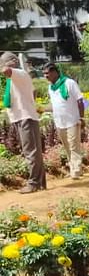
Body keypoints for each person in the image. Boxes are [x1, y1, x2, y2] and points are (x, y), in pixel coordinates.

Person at [1, 52, 44, 193]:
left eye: (4, 62)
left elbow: (6, 71)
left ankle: (33, 183)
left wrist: (6, 66)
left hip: (26, 118)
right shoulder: (18, 77)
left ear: (13, 62)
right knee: (33, 151)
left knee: (31, 151)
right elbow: (34, 92)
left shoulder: (18, 73)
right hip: (23, 116)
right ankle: (40, 183)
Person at [43, 63, 85, 180]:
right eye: (44, 74)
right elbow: (56, 105)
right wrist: (42, 109)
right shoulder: (51, 88)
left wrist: (82, 118)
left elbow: (80, 101)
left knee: (73, 146)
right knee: (67, 147)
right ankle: (75, 168)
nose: (46, 76)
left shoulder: (69, 83)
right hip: (60, 122)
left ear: (55, 72)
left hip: (73, 120)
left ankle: (75, 171)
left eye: (47, 73)